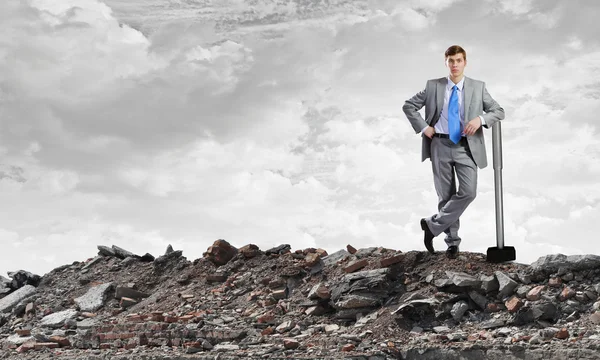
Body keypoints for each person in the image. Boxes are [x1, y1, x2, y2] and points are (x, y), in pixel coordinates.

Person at [402, 45, 505, 259]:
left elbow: (498, 111)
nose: (455, 64)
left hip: (466, 147)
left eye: (459, 60)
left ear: (465, 62)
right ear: (446, 62)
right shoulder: (433, 86)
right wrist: (424, 126)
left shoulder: (478, 87)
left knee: (468, 192)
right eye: (451, 61)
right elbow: (409, 106)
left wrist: (480, 119)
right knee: (445, 194)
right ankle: (452, 243)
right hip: (439, 144)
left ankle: (432, 225)